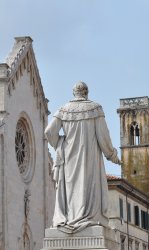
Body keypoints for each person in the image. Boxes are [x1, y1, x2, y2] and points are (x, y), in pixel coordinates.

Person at [45, 81, 121, 233]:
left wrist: (60, 144)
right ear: (86, 93)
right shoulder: (95, 109)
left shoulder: (63, 110)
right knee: (87, 187)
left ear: (74, 93)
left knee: (71, 190)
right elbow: (103, 137)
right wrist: (112, 156)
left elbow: (48, 132)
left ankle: (70, 218)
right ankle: (88, 218)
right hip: (89, 159)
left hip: (68, 160)